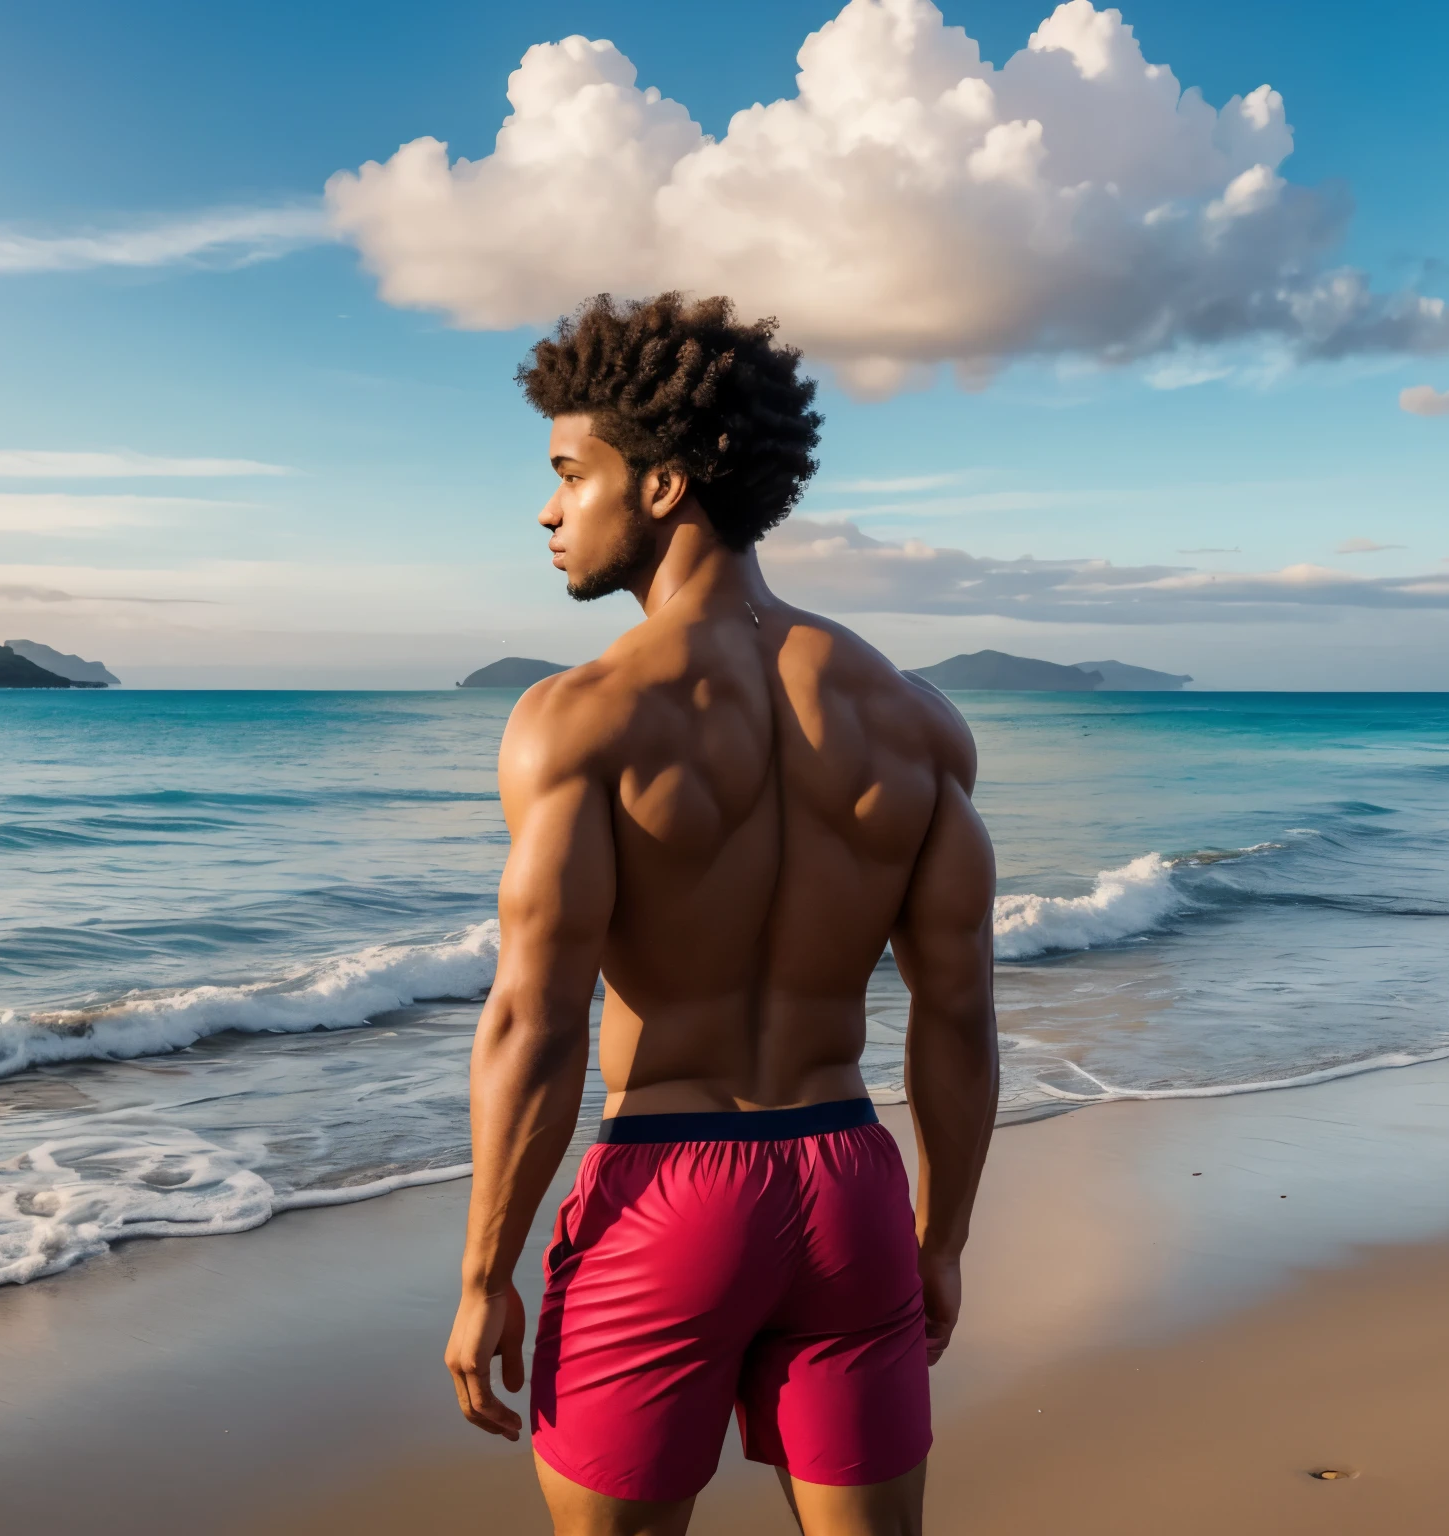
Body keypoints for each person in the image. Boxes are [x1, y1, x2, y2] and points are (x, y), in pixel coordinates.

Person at [443, 292, 999, 1536]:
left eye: (567, 473)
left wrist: (487, 1274)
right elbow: (957, 1015)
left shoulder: (579, 719)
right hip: (850, 1187)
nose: (546, 509)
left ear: (660, 487)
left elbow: (536, 1023)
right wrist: (939, 1237)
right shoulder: (915, 723)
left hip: (666, 1199)